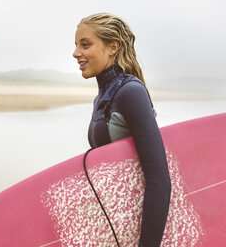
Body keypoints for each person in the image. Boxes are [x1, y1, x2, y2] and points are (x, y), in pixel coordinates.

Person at [73, 13, 171, 247]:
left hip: (140, 229)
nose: (76, 53)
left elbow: (159, 179)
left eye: (85, 45)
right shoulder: (103, 97)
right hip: (116, 221)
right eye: (76, 45)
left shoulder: (130, 92)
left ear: (112, 47)